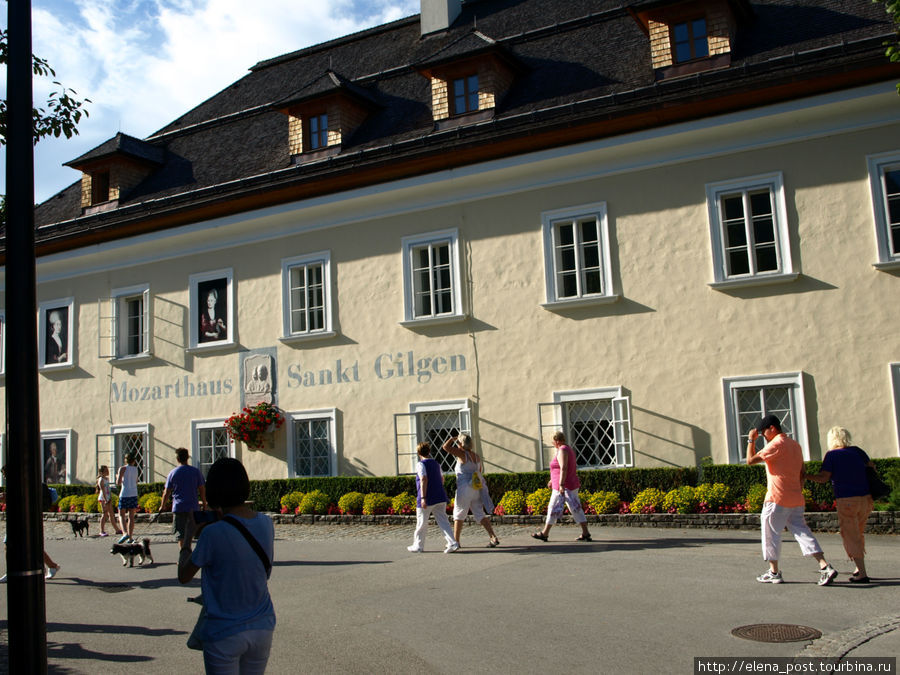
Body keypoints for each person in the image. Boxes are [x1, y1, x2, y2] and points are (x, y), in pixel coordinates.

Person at [178, 458, 275, 674]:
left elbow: (184, 575)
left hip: (224, 630)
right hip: (262, 624)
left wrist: (187, 539)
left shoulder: (212, 533)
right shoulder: (266, 523)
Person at [747, 415, 837, 585]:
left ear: (772, 428)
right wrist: (797, 489)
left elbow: (750, 461)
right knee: (803, 533)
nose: (764, 436)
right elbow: (802, 473)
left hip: (777, 498)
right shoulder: (795, 445)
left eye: (764, 432)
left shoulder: (776, 444)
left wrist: (751, 441)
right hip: (795, 497)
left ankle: (774, 572)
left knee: (770, 534)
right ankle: (825, 566)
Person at [803, 426, 875, 583]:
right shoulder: (857, 451)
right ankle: (858, 567)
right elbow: (871, 467)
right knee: (858, 533)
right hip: (865, 498)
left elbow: (823, 478)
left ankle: (862, 573)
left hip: (847, 499)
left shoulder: (832, 455)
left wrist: (806, 475)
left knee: (851, 536)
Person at [0, 466, 61, 581]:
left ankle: (11, 572)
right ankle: (52, 566)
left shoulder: (19, 484)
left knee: (15, 545)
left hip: (23, 519)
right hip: (22, 519)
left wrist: (5, 499)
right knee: (30, 546)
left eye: (4, 473)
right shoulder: (20, 482)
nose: (4, 476)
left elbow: (21, 500)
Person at [531, 431, 592, 542]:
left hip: (564, 486)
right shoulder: (567, 449)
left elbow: (563, 467)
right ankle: (585, 532)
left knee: (553, 507)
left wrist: (561, 485)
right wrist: (552, 480)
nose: (553, 443)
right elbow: (559, 469)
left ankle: (545, 533)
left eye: (553, 441)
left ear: (557, 441)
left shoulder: (562, 450)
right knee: (575, 508)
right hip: (567, 484)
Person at [442, 433, 500, 548]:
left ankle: (456, 541)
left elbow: (445, 447)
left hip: (464, 488)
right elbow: (479, 470)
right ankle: (493, 536)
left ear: (461, 443)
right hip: (476, 487)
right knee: (479, 513)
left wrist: (453, 439)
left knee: (459, 514)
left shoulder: (462, 454)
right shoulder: (476, 457)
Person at [407, 442, 459, 554]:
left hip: (428, 497)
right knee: (443, 521)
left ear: (418, 453)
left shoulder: (421, 464)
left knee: (421, 522)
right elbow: (442, 479)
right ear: (429, 451)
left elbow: (423, 479)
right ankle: (452, 542)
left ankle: (418, 545)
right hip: (440, 496)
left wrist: (423, 497)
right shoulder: (436, 463)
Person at [159, 447, 208, 547]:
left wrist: (162, 506)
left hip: (179, 507)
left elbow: (166, 492)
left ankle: (183, 556)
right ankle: (188, 554)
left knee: (181, 534)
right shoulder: (195, 472)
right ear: (187, 458)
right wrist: (204, 503)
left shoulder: (173, 473)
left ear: (177, 459)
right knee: (191, 533)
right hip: (193, 506)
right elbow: (202, 489)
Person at [116, 452, 140, 544]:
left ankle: (125, 533)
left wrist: (118, 476)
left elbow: (118, 483)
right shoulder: (135, 469)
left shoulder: (122, 468)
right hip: (133, 493)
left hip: (124, 493)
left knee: (121, 514)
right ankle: (130, 537)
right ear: (134, 460)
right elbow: (136, 481)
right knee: (131, 516)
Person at [97, 465, 119, 537]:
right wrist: (106, 499)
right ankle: (101, 530)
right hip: (103, 498)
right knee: (104, 514)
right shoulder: (101, 480)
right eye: (106, 471)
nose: (108, 472)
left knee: (111, 514)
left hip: (108, 497)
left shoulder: (106, 479)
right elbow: (103, 491)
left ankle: (117, 529)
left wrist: (110, 497)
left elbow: (108, 489)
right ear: (102, 472)